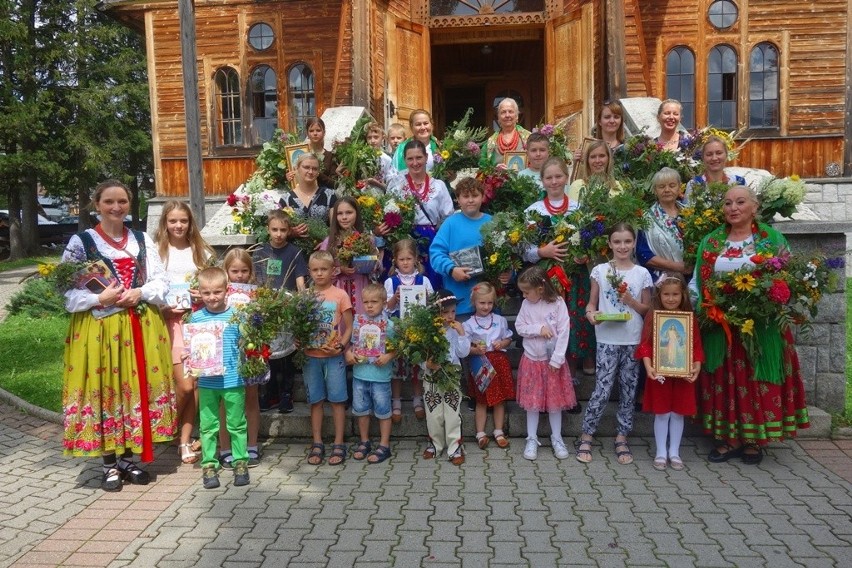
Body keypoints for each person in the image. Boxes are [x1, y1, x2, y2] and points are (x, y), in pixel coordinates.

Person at [62, 180, 176, 491]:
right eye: (109, 201)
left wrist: (139, 291)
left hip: (140, 324)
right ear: (96, 204)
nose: (116, 207)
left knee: (133, 390)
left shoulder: (140, 239)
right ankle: (109, 463)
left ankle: (127, 459)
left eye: (122, 201)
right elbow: (66, 294)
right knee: (106, 389)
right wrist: (100, 299)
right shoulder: (81, 242)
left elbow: (161, 281)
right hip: (100, 329)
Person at [690, 185, 810, 465]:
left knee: (755, 380)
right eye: (728, 203)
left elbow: (786, 278)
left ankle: (753, 440)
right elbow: (698, 281)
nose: (733, 208)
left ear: (754, 207)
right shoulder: (711, 242)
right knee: (726, 380)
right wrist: (702, 309)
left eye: (740, 202)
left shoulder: (772, 239)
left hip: (763, 325)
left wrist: (770, 301)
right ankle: (729, 438)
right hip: (723, 326)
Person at [578, 223, 653, 465]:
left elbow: (647, 310)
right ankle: (586, 434)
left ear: (634, 244)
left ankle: (622, 437)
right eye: (617, 242)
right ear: (609, 244)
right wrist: (590, 314)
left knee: (629, 390)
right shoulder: (600, 270)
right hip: (607, 338)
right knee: (601, 389)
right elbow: (592, 303)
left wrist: (631, 301)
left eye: (627, 242)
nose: (622, 246)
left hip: (632, 338)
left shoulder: (642, 274)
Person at [154, 199, 215, 465]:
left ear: (191, 223)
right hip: (168, 324)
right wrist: (161, 308)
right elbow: (148, 289)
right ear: (165, 223)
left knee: (195, 386)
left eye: (183, 220)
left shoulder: (202, 252)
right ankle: (165, 426)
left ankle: (183, 439)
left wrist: (200, 295)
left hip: (198, 323)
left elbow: (216, 284)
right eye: (173, 221)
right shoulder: (156, 251)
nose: (178, 225)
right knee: (184, 385)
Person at [524, 157, 591, 383]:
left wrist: (584, 255)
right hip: (546, 279)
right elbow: (523, 248)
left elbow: (591, 242)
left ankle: (569, 375)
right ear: (542, 181)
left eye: (558, 176)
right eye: (549, 177)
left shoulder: (578, 209)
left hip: (573, 277)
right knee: (549, 322)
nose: (554, 181)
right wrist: (543, 252)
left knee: (570, 321)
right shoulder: (533, 211)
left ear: (566, 178)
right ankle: (546, 375)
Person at [184, 267, 250, 489]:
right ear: (199, 293)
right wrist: (188, 354)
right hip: (207, 382)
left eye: (217, 292)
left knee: (237, 424)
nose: (212, 298)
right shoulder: (196, 317)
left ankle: (240, 461)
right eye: (206, 293)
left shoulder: (237, 315)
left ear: (226, 290)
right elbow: (190, 347)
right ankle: (209, 464)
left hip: (233, 380)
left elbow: (248, 342)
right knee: (208, 426)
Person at [636, 273, 704, 471]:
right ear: (660, 295)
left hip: (682, 374)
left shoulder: (689, 319)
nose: (671, 299)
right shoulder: (653, 317)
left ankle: (674, 452)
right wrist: (648, 366)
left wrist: (696, 365)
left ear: (683, 295)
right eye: (666, 294)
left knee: (678, 414)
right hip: (659, 373)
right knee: (662, 413)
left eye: (675, 294)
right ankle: (660, 452)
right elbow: (646, 344)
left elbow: (696, 346)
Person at [514, 266, 576, 461]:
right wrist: (538, 328)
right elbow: (519, 327)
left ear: (540, 288)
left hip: (552, 363)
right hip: (532, 360)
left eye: (526, 291)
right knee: (532, 403)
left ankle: (556, 438)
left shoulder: (558, 303)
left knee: (554, 403)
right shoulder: (526, 305)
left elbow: (564, 331)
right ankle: (531, 438)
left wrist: (558, 358)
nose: (523, 295)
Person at [252, 210, 309, 414]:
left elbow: (300, 280)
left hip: (287, 309)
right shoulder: (259, 252)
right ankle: (269, 392)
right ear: (268, 229)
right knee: (270, 353)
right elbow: (256, 282)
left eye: (283, 230)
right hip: (267, 310)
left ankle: (286, 393)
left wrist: (302, 303)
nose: (278, 234)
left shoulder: (294, 252)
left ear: (289, 230)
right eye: (274, 229)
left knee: (287, 354)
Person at [304, 251, 354, 466]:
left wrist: (342, 345)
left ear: (333, 271)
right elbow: (299, 325)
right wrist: (299, 340)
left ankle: (339, 442)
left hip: (334, 356)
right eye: (315, 270)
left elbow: (350, 325)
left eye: (324, 269)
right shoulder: (305, 296)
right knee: (315, 401)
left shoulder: (340, 295)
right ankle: (317, 442)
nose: (319, 274)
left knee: (337, 400)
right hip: (311, 355)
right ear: (309, 272)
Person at [217, 248, 263, 469]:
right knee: (226, 401)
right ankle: (226, 448)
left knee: (251, 397)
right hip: (227, 351)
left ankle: (251, 445)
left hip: (251, 351)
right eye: (234, 271)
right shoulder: (218, 294)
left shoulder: (257, 294)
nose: (240, 275)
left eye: (244, 270)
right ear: (226, 271)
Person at [388, 139, 454, 288]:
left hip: (430, 241)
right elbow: (387, 212)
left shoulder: (439, 185)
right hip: (403, 240)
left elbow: (448, 216)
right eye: (410, 159)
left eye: (419, 157)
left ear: (426, 158)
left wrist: (439, 231)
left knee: (431, 283)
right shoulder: (396, 185)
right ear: (405, 160)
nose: (415, 162)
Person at [345, 283, 397, 464]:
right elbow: (353, 344)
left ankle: (384, 445)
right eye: (365, 302)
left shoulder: (389, 326)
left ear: (384, 303)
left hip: (380, 376)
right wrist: (350, 354)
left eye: (374, 302)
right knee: (361, 410)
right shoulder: (358, 322)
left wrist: (389, 356)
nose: (369, 306)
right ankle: (364, 441)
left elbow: (398, 348)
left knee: (383, 410)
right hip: (360, 374)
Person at [384, 239, 433, 422]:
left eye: (409, 258)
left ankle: (417, 399)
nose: (405, 262)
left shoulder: (424, 280)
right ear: (395, 260)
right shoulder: (391, 281)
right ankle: (396, 401)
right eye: (401, 259)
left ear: (416, 259)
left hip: (418, 330)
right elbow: (385, 308)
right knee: (397, 366)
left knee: (416, 365)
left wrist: (427, 298)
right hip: (397, 330)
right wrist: (394, 299)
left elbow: (432, 305)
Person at [429, 176, 492, 319]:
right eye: (465, 196)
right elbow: (436, 253)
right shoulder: (450, 224)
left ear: (482, 197)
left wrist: (506, 274)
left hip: (487, 303)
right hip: (459, 303)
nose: (470, 200)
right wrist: (451, 269)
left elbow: (504, 256)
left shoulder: (492, 222)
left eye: (475, 195)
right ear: (457, 199)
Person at [422, 290, 471, 466]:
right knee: (433, 412)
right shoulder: (428, 332)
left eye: (453, 311)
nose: (450, 316)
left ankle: (454, 446)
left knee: (452, 411)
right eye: (445, 312)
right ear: (436, 313)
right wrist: (426, 364)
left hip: (452, 375)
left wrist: (462, 334)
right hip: (432, 376)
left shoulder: (456, 329)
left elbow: (463, 353)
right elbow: (420, 355)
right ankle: (435, 444)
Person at [463, 283, 515, 450]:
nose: (486, 307)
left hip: (499, 362)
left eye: (489, 303)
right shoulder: (469, 324)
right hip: (481, 364)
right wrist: (475, 350)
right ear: (474, 303)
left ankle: (498, 431)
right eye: (482, 303)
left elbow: (508, 338)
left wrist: (502, 343)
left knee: (500, 399)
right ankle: (480, 433)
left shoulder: (499, 321)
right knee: (481, 400)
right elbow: (464, 348)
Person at [320, 196, 378, 315]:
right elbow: (320, 269)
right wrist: (339, 269)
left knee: (361, 327)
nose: (344, 217)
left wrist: (372, 264)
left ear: (357, 213)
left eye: (349, 212)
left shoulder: (367, 239)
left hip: (361, 288)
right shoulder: (329, 242)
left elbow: (377, 266)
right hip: (337, 289)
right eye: (340, 214)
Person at [636, 167, 689, 280]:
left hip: (691, 278)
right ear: (655, 190)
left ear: (680, 187)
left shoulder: (691, 213)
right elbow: (643, 254)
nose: (667, 190)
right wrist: (677, 267)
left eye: (672, 185)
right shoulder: (646, 218)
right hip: (662, 281)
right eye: (661, 186)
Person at [280, 152, 337, 238]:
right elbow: (278, 230)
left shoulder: (329, 195)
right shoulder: (286, 199)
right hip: (295, 249)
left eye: (314, 169)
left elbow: (335, 227)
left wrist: (326, 242)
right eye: (306, 167)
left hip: (323, 248)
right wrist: (290, 232)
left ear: (318, 172)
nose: (310, 172)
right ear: (297, 168)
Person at [683, 135, 746, 202]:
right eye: (709, 154)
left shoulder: (739, 182)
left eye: (719, 153)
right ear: (703, 158)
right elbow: (688, 211)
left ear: (726, 155)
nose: (714, 158)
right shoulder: (694, 185)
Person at [285, 117, 337, 188]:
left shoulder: (331, 156)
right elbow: (296, 178)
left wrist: (318, 174)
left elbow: (334, 184)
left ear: (324, 132)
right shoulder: (300, 153)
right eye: (311, 131)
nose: (315, 133)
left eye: (318, 130)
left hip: (323, 197)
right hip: (303, 195)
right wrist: (290, 177)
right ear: (307, 133)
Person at [481, 97, 532, 165]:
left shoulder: (529, 138)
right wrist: (494, 170)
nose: (507, 115)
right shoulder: (490, 142)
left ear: (517, 116)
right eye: (503, 112)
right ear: (498, 117)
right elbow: (483, 168)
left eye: (510, 111)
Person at [391, 109, 439, 175]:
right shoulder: (402, 149)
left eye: (426, 123)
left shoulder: (440, 147)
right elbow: (393, 175)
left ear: (432, 125)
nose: (423, 127)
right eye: (418, 124)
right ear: (411, 127)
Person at [364, 121, 393, 190]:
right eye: (369, 138)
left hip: (379, 195)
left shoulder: (387, 159)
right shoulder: (362, 156)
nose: (372, 141)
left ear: (382, 138)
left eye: (376, 137)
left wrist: (375, 182)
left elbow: (389, 186)